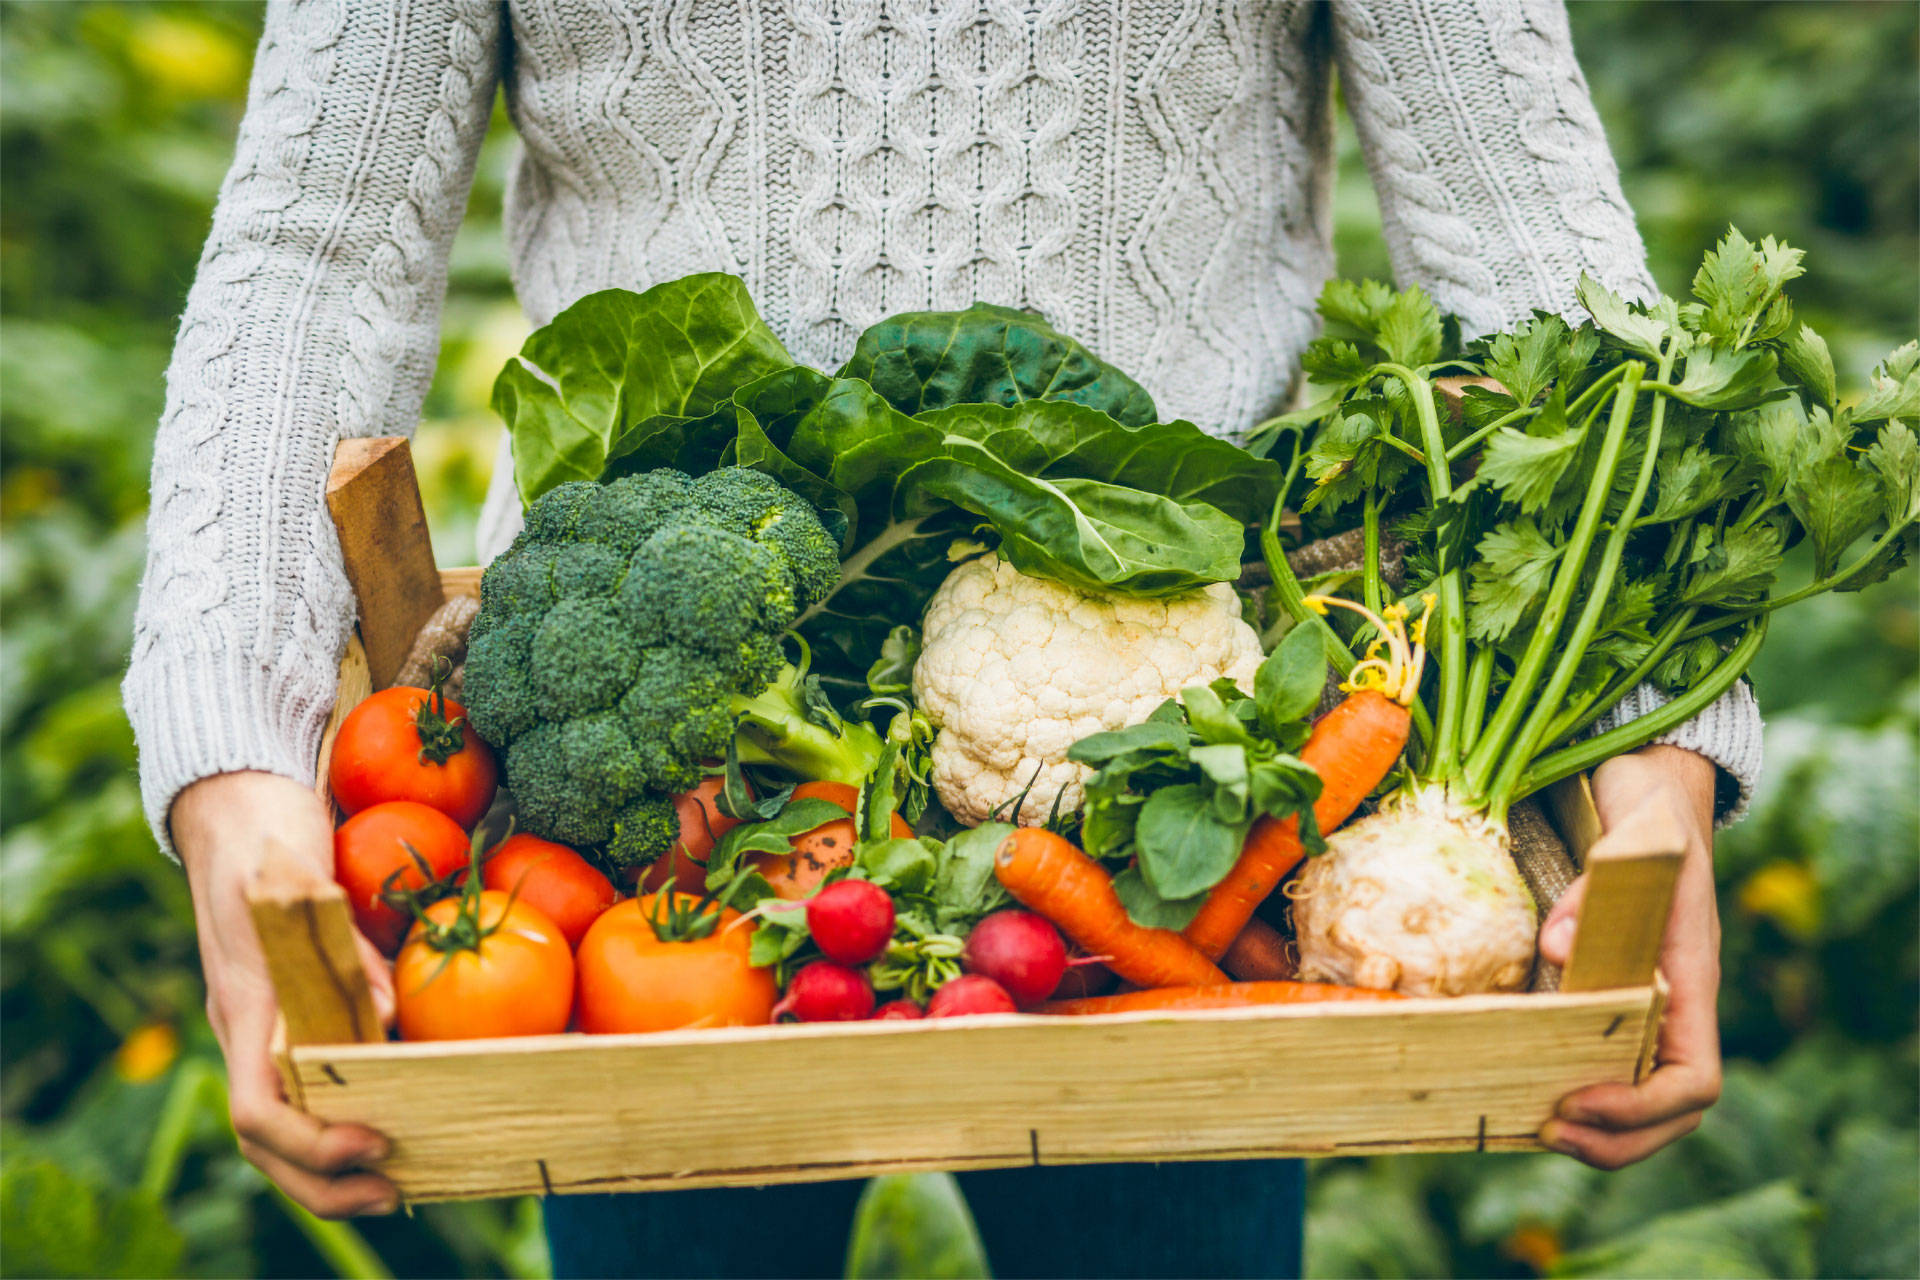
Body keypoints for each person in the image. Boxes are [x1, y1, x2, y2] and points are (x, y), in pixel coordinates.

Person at [129, 1, 1760, 1274]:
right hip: (650, 813)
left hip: (1189, 806)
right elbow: (312, 254)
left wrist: (1657, 752)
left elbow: (1522, 219)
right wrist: (234, 767)